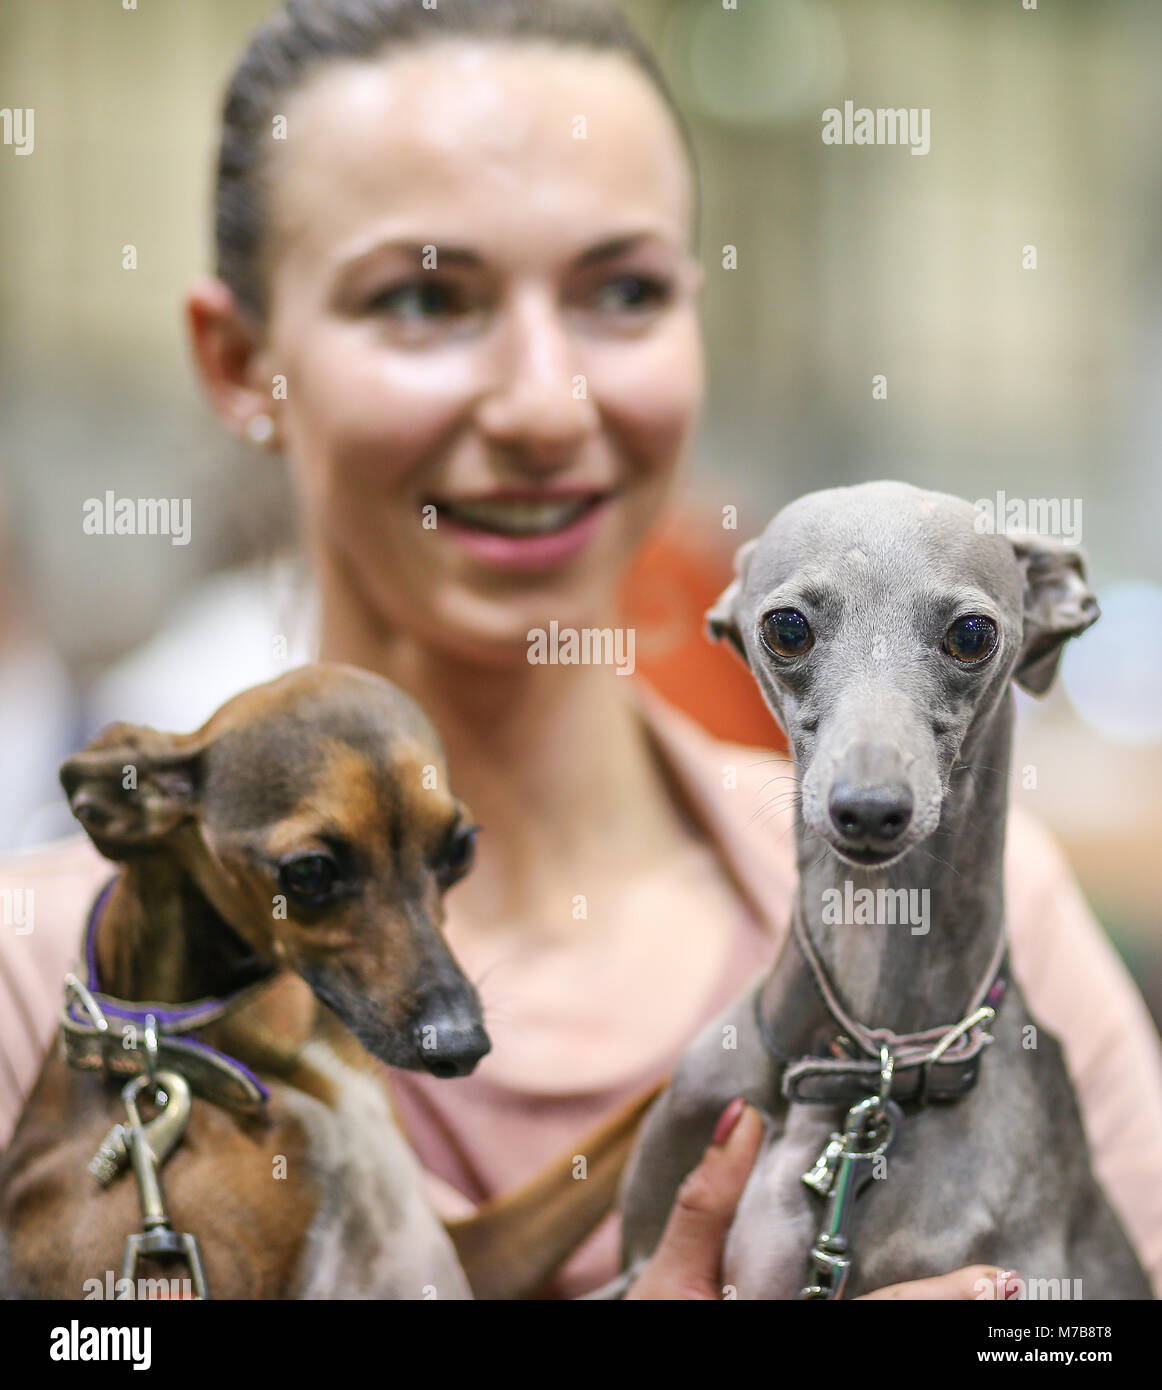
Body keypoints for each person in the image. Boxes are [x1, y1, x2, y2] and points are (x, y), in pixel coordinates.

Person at [2, 0, 1160, 1300]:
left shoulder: (978, 919)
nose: (549, 405)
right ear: (238, 359)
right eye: (426, 296)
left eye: (624, 291)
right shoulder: (34, 977)